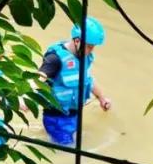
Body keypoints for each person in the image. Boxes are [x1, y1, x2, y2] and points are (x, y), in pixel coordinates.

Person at [38, 17, 112, 146]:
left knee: (75, 139)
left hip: (73, 115)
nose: (91, 51)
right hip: (56, 118)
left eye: (93, 47)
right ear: (77, 41)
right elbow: (39, 78)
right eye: (89, 46)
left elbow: (88, 79)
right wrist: (25, 98)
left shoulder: (84, 57)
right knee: (69, 149)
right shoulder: (55, 59)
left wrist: (102, 98)